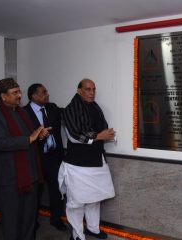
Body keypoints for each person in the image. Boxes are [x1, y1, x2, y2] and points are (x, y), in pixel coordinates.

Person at [0, 78, 51, 240]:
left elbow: (31, 137)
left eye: (19, 91)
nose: (20, 95)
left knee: (29, 218)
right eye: (15, 93)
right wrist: (30, 138)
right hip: (10, 178)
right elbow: (1, 143)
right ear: (3, 96)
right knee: (12, 219)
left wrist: (39, 135)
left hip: (31, 175)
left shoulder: (22, 112)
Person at [59, 79, 115, 240]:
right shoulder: (70, 109)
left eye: (94, 89)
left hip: (96, 159)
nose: (91, 93)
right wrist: (100, 136)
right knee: (76, 202)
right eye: (88, 89)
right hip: (78, 163)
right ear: (79, 91)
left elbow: (100, 127)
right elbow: (75, 136)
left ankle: (92, 228)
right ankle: (77, 234)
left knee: (94, 198)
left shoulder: (95, 107)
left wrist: (107, 134)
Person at [24, 84, 66, 231]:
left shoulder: (52, 107)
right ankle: (32, 221)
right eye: (43, 92)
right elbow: (22, 136)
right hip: (35, 157)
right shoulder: (23, 112)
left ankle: (56, 219)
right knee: (35, 192)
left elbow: (68, 112)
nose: (47, 94)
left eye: (46, 91)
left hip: (54, 157)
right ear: (33, 96)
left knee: (57, 189)